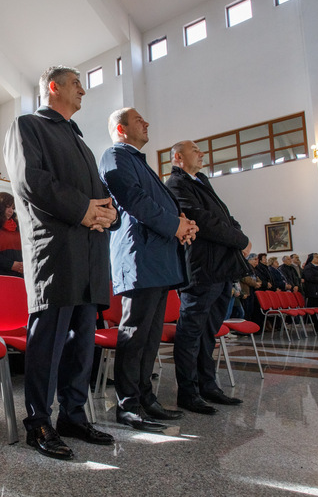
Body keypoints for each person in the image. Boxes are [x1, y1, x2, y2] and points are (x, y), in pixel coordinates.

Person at [4, 65, 118, 460]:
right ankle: (39, 420)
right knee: (48, 342)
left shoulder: (80, 141)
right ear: (54, 87)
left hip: (89, 254)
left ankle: (73, 415)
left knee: (82, 343)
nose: (82, 91)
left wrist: (109, 215)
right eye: (76, 84)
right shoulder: (28, 126)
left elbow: (100, 194)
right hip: (55, 248)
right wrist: (84, 210)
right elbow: (30, 180)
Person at [99, 107, 196, 431]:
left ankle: (146, 398)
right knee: (135, 334)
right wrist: (175, 225)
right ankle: (128, 405)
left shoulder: (138, 160)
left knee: (151, 337)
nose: (147, 123)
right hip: (139, 256)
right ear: (121, 129)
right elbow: (134, 200)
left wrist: (182, 224)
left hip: (156, 257)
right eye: (139, 120)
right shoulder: (115, 155)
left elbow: (158, 203)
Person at [166, 140, 251, 414]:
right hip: (202, 268)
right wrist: (240, 240)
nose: (202, 153)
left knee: (208, 333)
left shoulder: (201, 180)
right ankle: (188, 392)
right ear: (178, 157)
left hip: (222, 268)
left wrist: (239, 233)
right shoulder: (176, 184)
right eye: (195, 150)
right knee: (191, 332)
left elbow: (225, 216)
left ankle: (208, 385)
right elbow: (203, 221)